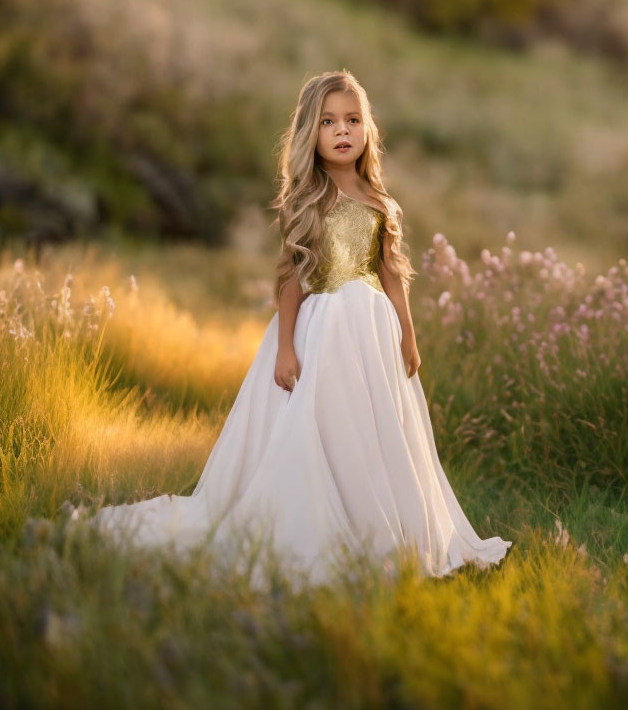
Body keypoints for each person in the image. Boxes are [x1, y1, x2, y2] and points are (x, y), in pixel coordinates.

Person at [92, 70, 512, 589]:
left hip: (372, 331)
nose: (342, 130)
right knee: (322, 422)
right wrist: (285, 347)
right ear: (310, 133)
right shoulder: (309, 200)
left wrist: (408, 333)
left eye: (353, 120)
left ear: (367, 130)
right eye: (329, 121)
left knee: (375, 427)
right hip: (325, 328)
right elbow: (291, 278)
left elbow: (392, 273)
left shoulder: (380, 201)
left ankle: (381, 524)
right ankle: (318, 520)